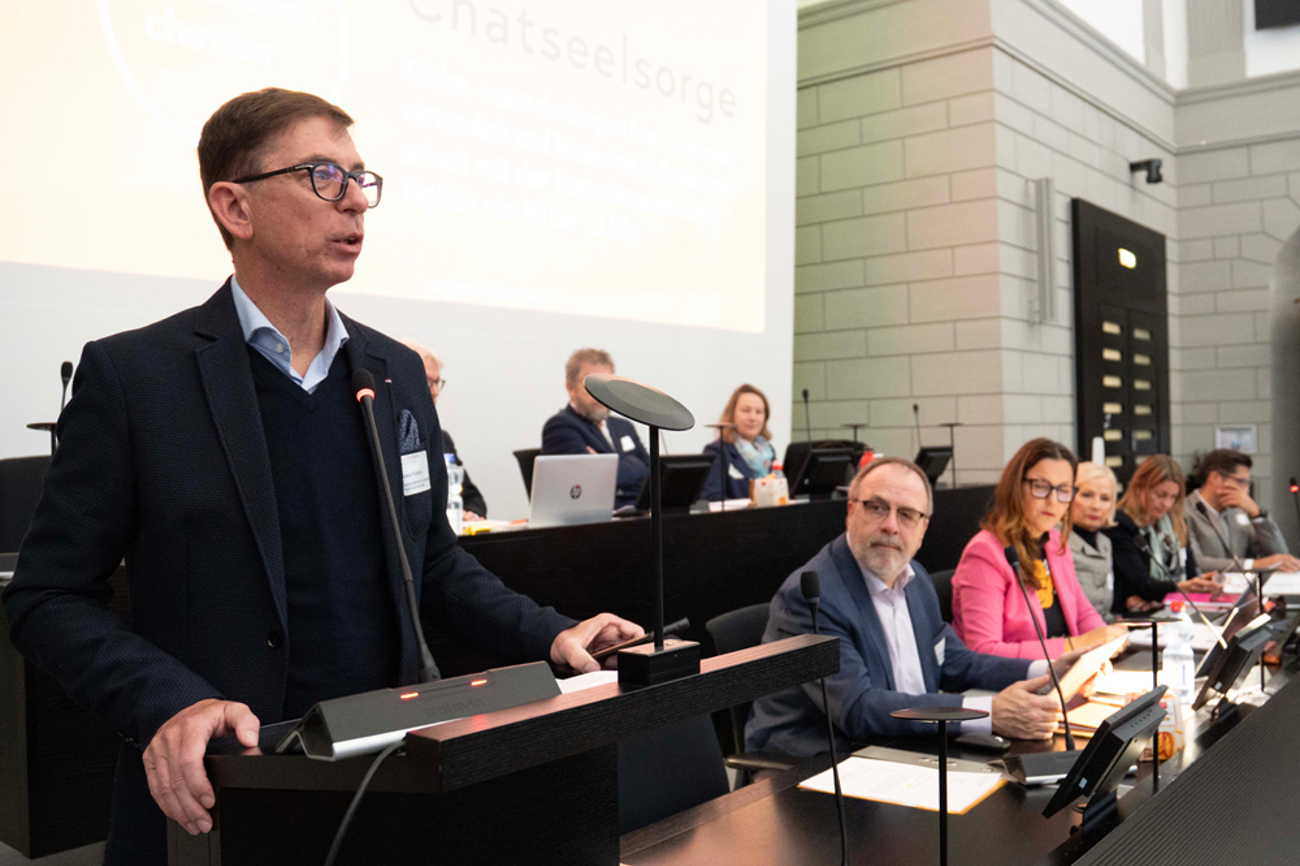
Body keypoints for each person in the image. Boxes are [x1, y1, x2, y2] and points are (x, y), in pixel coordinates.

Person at [1, 89, 641, 865]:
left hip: (388, 786)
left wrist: (551, 634)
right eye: (323, 177)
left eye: (360, 179)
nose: (357, 203)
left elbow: (432, 563)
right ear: (235, 207)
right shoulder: (137, 378)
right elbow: (47, 597)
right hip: (222, 799)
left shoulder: (392, 371)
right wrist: (169, 702)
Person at [745, 457, 1080, 758]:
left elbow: (953, 661)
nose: (891, 525)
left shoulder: (914, 577)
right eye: (877, 508)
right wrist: (988, 713)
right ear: (850, 511)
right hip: (817, 766)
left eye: (906, 515)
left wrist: (1046, 670)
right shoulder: (812, 597)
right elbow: (858, 708)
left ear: (923, 528)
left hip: (906, 747)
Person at [951, 438, 1129, 659]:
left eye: (1063, 490)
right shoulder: (985, 552)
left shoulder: (1055, 542)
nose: (1053, 500)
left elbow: (1082, 613)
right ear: (1016, 487)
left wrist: (1106, 638)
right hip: (1013, 678)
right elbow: (984, 650)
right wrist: (1075, 645)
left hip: (1064, 671)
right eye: (1041, 487)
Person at [1108, 455, 1219, 615]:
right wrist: (1178, 589)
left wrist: (1199, 583)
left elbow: (1190, 574)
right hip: (1134, 616)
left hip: (1171, 610)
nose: (1166, 504)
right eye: (1160, 495)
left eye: (1173, 497)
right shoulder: (1121, 524)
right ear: (1139, 488)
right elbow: (1142, 584)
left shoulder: (1175, 523)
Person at [540, 348, 650, 509]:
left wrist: (607, 466)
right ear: (570, 388)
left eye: (607, 384)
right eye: (592, 384)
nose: (601, 393)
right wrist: (636, 464)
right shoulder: (560, 427)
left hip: (637, 515)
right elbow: (590, 482)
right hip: (595, 519)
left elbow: (652, 473)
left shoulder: (623, 426)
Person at [402, 341, 486, 520]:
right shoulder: (386, 440)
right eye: (428, 382)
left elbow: (474, 498)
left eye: (437, 383)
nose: (436, 392)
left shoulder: (442, 439)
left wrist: (470, 514)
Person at [1184, 449, 1300, 574]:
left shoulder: (1237, 512)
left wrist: (1257, 515)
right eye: (1241, 482)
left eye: (1248, 483)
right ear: (1215, 478)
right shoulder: (1185, 511)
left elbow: (1279, 555)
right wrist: (1254, 564)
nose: (1246, 490)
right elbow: (1196, 563)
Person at [701, 384, 777, 501]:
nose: (752, 417)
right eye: (746, 410)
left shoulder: (768, 451)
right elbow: (711, 497)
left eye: (759, 412)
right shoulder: (717, 450)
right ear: (732, 414)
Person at [1067, 462, 1119, 623]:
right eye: (1087, 495)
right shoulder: (1056, 543)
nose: (1096, 506)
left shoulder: (1105, 543)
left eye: (1105, 498)